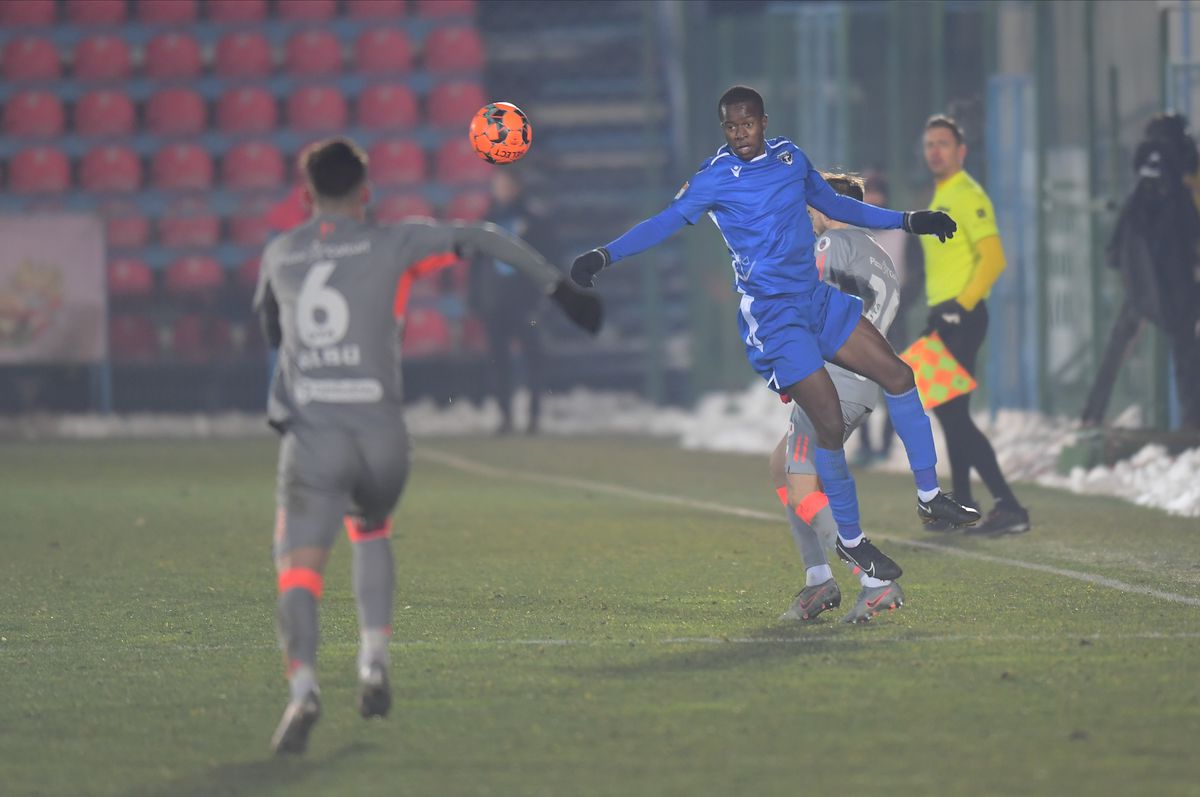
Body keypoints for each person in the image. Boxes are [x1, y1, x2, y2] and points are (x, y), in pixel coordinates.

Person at [253, 138, 601, 755]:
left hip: (314, 437)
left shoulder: (281, 252)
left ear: (306, 196)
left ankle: (303, 689)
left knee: (299, 570)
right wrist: (559, 289)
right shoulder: (397, 242)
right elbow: (485, 237)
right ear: (366, 193)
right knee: (372, 529)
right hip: (383, 437)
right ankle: (374, 660)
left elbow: (270, 328)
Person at [570, 86, 980, 586]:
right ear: (724, 128)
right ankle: (852, 543)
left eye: (747, 124)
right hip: (775, 319)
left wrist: (910, 220)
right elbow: (662, 223)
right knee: (827, 425)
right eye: (730, 126)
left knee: (899, 374)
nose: (740, 134)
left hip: (816, 300)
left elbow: (837, 205)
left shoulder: (791, 158)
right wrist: (604, 255)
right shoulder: (713, 178)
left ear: (763, 121)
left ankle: (928, 497)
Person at [770, 173, 906, 623]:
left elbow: (807, 304)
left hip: (834, 381)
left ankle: (874, 580)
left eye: (812, 208)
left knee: (802, 484)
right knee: (784, 464)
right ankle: (817, 579)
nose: (809, 217)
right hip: (861, 385)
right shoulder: (882, 257)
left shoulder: (832, 245)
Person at [917, 115, 1030, 536]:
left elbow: (994, 259)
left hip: (960, 316)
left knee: (954, 413)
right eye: (930, 144)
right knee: (948, 413)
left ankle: (1009, 506)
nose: (935, 151)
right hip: (940, 314)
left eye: (943, 143)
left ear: (961, 151)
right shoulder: (940, 193)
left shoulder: (967, 193)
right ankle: (963, 503)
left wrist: (961, 307)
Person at [1081, 113, 1200, 430]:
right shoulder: (1179, 189)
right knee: (1185, 351)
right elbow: (1191, 236)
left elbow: (1117, 248)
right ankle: (1191, 422)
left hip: (1141, 285)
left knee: (1119, 344)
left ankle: (1091, 415)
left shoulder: (1141, 189)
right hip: (1178, 286)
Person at [468, 168, 558, 434]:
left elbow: (549, 260)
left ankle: (534, 416)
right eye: (499, 185)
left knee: (533, 358)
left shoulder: (535, 221)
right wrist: (476, 298)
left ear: (517, 187)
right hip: (495, 304)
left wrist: (545, 296)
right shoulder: (487, 222)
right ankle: (505, 416)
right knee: (499, 361)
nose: (503, 190)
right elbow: (477, 265)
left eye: (507, 185)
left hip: (526, 303)